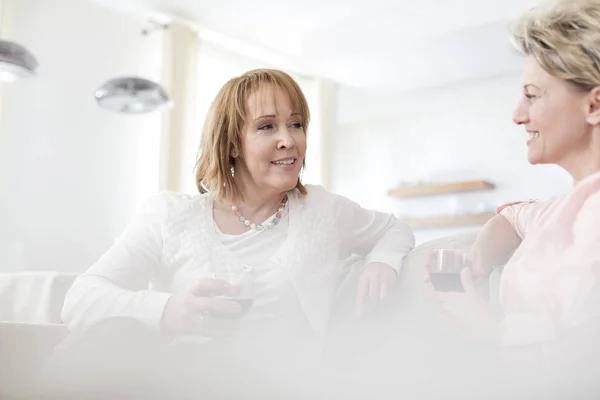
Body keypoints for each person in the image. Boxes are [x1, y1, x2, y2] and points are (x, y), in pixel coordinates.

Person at [42, 68, 414, 397]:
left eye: (296, 124)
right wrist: (169, 310)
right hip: (176, 384)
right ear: (233, 143)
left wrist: (382, 261)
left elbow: (394, 230)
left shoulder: (323, 210)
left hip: (281, 387)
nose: (289, 139)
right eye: (267, 126)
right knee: (110, 338)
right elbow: (80, 300)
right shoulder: (170, 215)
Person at [434, 0, 600, 395]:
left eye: (532, 95)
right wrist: (477, 260)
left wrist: (485, 329)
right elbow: (515, 217)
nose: (517, 115)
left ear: (593, 105)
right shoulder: (567, 207)